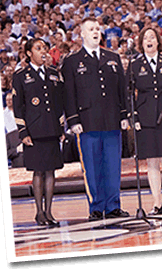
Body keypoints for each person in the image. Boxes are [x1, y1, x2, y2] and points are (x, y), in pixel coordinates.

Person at [61, 17, 130, 221]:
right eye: (90, 29)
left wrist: (123, 115)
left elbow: (121, 90)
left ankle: (113, 205)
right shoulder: (72, 61)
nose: (95, 31)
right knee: (91, 167)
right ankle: (96, 207)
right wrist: (73, 120)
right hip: (86, 122)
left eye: (97, 28)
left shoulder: (113, 57)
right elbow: (69, 94)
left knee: (113, 166)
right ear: (81, 34)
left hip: (111, 120)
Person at [129, 28, 162, 215]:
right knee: (151, 162)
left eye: (152, 37)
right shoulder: (134, 65)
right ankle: (156, 203)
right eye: (145, 38)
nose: (149, 40)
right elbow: (129, 94)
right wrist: (133, 117)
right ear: (141, 43)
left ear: (158, 41)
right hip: (145, 118)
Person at [12, 38, 64, 226]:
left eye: (45, 48)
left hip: (51, 128)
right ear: (28, 53)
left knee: (51, 171)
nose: (44, 51)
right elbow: (18, 106)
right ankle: (39, 212)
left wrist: (60, 127)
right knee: (38, 172)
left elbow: (59, 102)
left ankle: (49, 212)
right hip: (33, 131)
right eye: (38, 48)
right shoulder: (20, 76)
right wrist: (23, 131)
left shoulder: (53, 73)